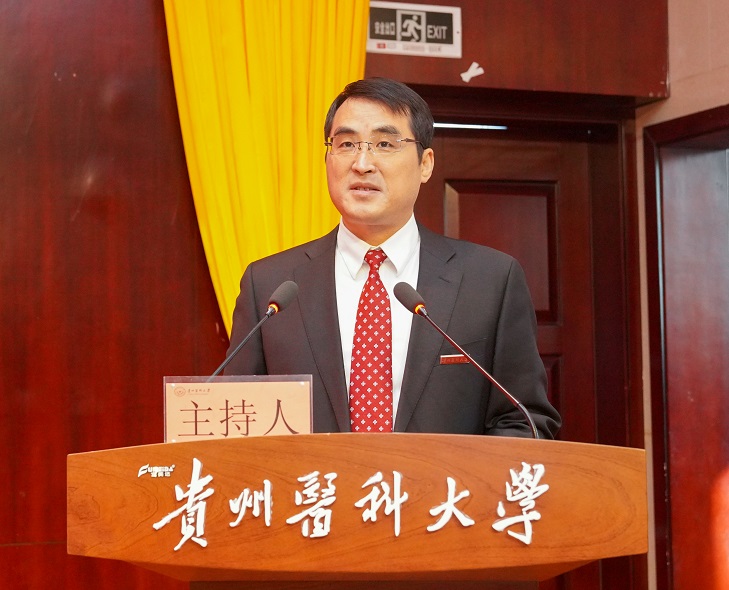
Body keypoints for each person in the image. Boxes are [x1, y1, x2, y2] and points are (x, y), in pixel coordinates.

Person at [224, 77, 560, 438]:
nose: (362, 163)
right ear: (327, 159)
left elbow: (525, 421)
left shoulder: (490, 281)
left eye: (385, 144)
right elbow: (236, 423)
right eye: (346, 144)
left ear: (425, 164)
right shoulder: (271, 286)